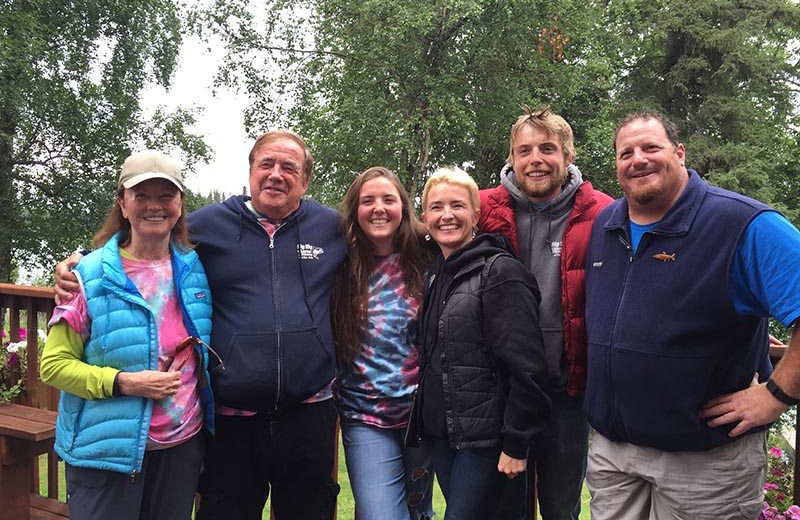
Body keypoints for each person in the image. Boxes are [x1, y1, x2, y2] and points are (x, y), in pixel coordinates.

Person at [55, 131, 347, 520]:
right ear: (251, 171)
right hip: (233, 421)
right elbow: (147, 233)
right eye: (266, 164)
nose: (276, 174)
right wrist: (77, 261)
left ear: (305, 181)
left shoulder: (331, 227)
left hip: (308, 413)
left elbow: (389, 239)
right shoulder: (210, 224)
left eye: (288, 167)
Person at [583, 111, 800, 520]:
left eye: (651, 147)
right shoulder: (606, 224)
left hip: (706, 464)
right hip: (615, 458)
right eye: (625, 152)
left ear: (680, 154)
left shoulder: (739, 223)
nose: (638, 159)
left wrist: (776, 396)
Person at [40, 150, 214, 520]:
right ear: (122, 202)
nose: (155, 206)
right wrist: (126, 383)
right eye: (141, 196)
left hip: (180, 447)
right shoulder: (87, 275)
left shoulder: (195, 269)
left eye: (166, 195)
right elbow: (54, 366)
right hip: (106, 452)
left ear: (181, 204)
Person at [478, 106, 612, 519]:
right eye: (524, 150)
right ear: (512, 158)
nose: (535, 159)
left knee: (561, 507)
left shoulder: (605, 213)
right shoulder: (481, 209)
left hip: (567, 391)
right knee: (503, 510)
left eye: (547, 149)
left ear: (569, 156)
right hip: (501, 391)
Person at [409, 166, 552, 520]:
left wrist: (516, 442)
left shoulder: (500, 272)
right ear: (424, 217)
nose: (446, 216)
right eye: (436, 207)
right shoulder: (435, 276)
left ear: (475, 213)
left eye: (457, 206)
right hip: (443, 437)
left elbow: (528, 366)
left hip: (487, 442)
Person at [331, 166, 434, 520]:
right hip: (365, 416)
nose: (378, 208)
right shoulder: (338, 264)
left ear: (403, 207)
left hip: (422, 417)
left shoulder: (429, 257)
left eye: (388, 199)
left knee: (419, 511)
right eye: (367, 200)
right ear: (354, 210)